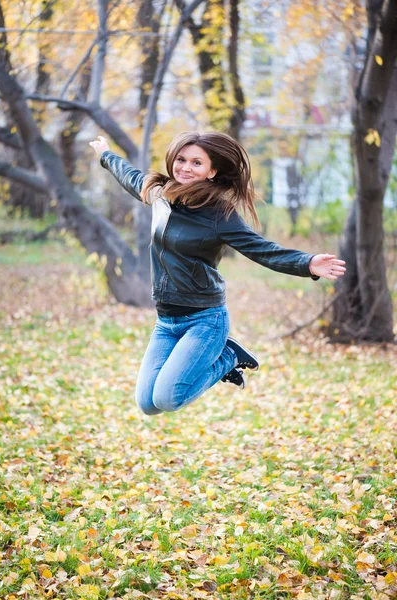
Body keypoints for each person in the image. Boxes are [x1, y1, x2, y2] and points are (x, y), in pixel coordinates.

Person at [90, 132, 346, 416]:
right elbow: (130, 177)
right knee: (148, 405)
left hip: (204, 319)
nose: (185, 167)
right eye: (181, 159)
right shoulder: (160, 195)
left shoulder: (219, 215)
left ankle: (228, 357)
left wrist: (307, 263)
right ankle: (225, 357)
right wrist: (105, 155)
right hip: (166, 320)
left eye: (196, 163)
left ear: (211, 172)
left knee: (167, 398)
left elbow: (260, 249)